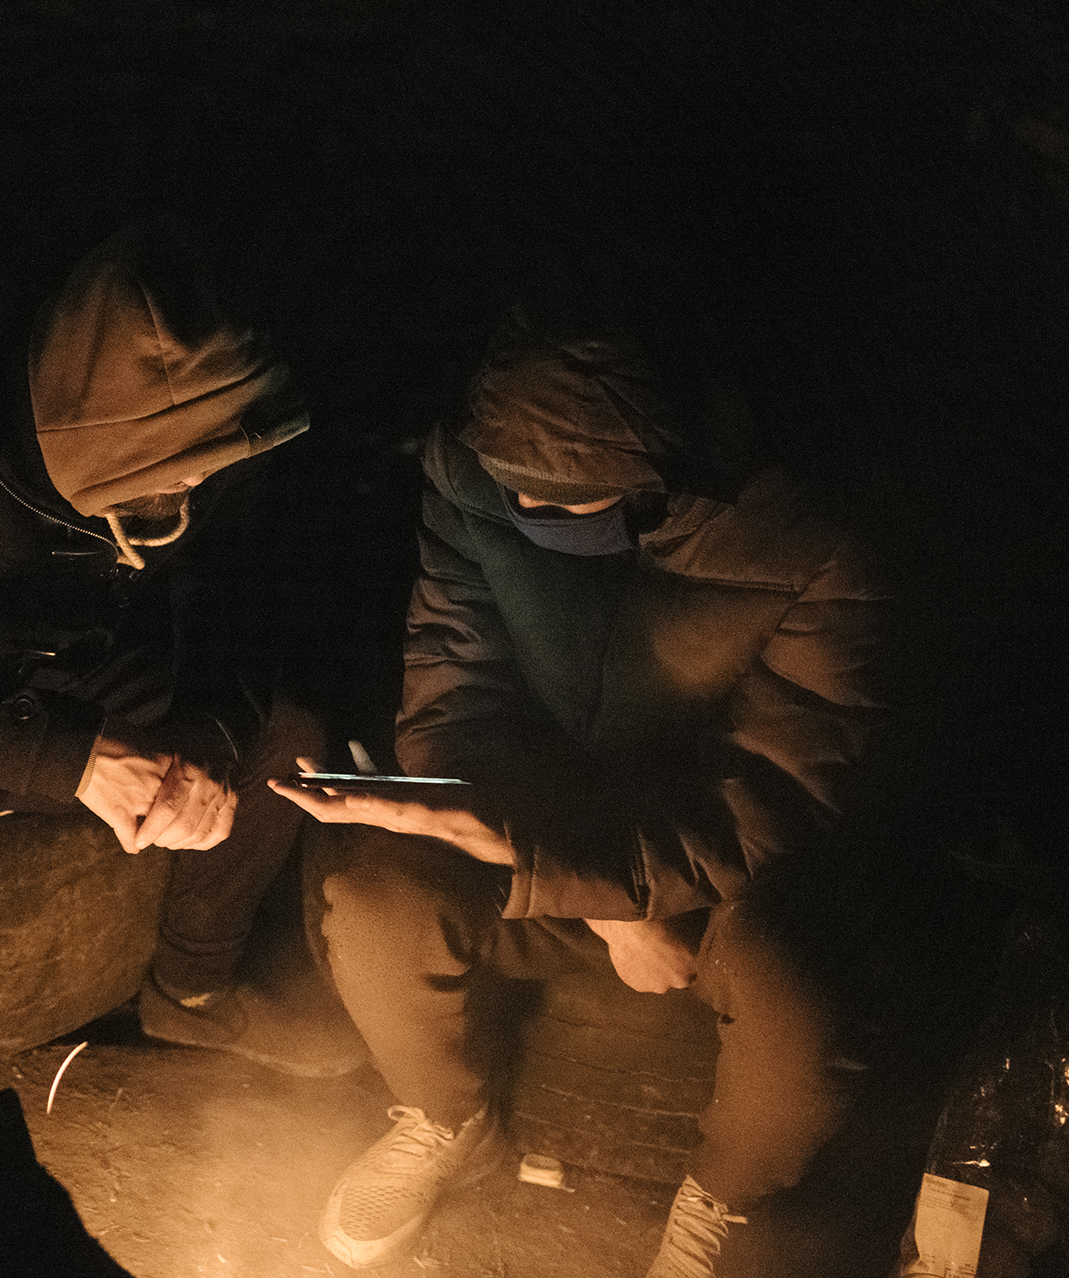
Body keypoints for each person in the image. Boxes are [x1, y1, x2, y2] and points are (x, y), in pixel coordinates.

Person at [273, 304, 890, 1277]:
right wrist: (586, 895)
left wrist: (614, 884)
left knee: (800, 1014)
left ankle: (717, 1202)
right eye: (510, 492)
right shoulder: (466, 476)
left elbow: (773, 788)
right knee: (373, 894)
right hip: (548, 831)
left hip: (722, 859)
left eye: (564, 502)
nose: (524, 514)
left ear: (657, 476)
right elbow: (452, 684)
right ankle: (449, 1120)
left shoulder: (808, 540)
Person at [0, 218, 354, 1204]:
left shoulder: (217, 450)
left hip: (87, 685)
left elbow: (242, 619)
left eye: (201, 469)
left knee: (286, 737)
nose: (189, 487)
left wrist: (204, 745)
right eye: (164, 471)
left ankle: (190, 989)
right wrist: (75, 761)